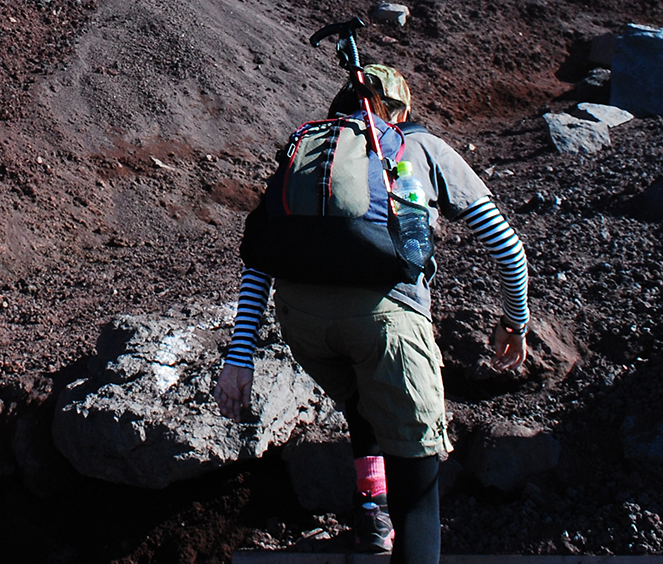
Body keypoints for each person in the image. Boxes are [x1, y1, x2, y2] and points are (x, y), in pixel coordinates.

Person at [216, 63, 530, 562]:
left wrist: (239, 359)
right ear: (400, 112)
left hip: (304, 325)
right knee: (419, 487)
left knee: (364, 402)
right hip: (386, 322)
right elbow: (507, 247)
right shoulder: (417, 147)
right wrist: (516, 322)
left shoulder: (310, 153)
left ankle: (370, 512)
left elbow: (260, 259)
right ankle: (397, 520)